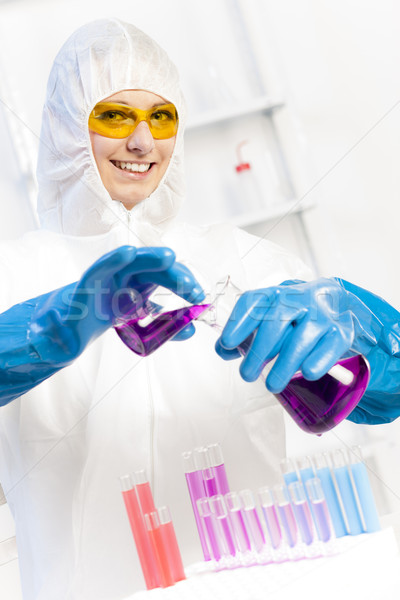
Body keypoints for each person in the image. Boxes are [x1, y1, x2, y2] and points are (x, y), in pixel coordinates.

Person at [0, 18, 399, 600]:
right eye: (115, 115)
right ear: (67, 126)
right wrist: (45, 330)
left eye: (160, 118)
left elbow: (387, 398)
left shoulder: (247, 261)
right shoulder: (16, 273)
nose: (143, 142)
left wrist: (364, 330)